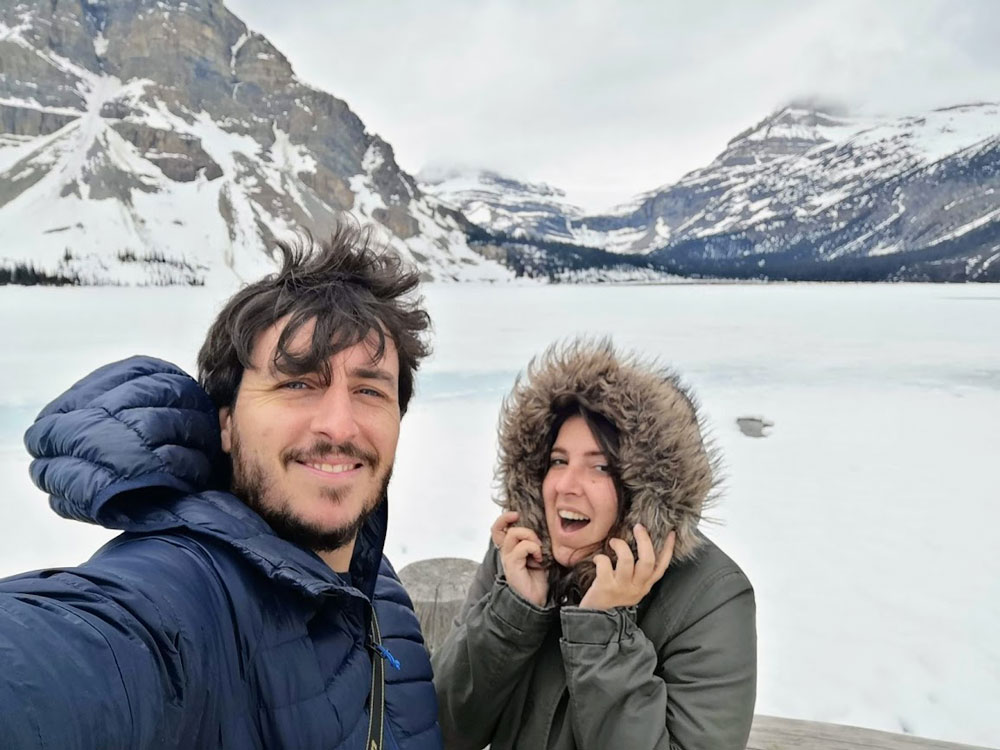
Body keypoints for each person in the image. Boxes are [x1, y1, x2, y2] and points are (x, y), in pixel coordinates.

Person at [0, 225, 443, 750]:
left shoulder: (378, 592)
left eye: (370, 390)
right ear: (226, 424)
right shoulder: (187, 596)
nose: (340, 427)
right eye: (297, 383)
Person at [432, 339, 757, 750]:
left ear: (645, 489)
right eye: (558, 461)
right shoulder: (518, 556)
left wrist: (605, 635)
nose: (567, 486)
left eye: (600, 467)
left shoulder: (711, 597)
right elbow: (443, 728)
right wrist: (511, 614)